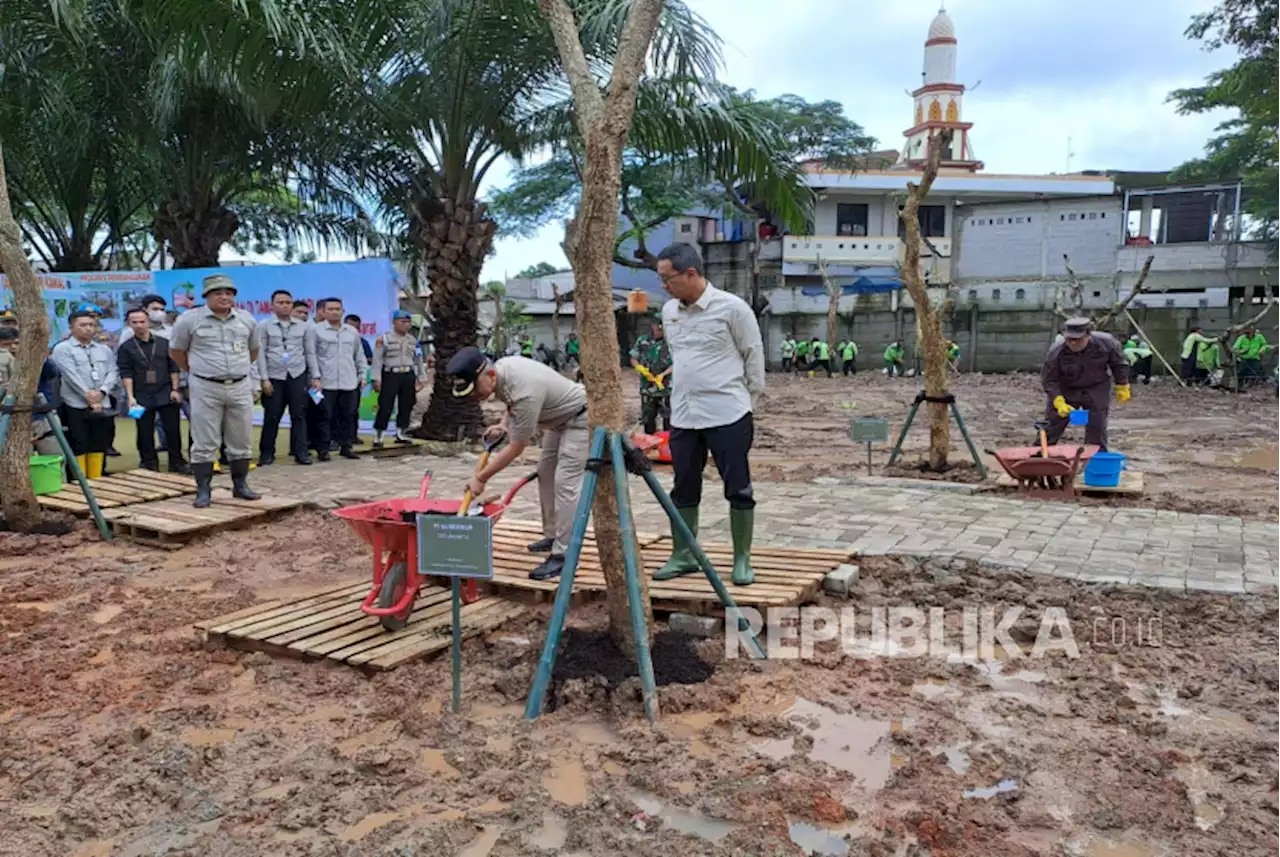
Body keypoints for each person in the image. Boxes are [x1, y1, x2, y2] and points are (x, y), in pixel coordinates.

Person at [652, 243, 764, 586]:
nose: (664, 286)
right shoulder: (669, 311)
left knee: (738, 487)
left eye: (667, 278)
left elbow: (753, 356)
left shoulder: (732, 308)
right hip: (684, 415)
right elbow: (680, 356)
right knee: (683, 486)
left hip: (728, 412)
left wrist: (748, 403)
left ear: (691, 274)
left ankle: (742, 559)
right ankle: (683, 555)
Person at [447, 346, 588, 582]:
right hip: (555, 420)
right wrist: (503, 424)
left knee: (565, 483)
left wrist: (481, 478)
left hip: (579, 418)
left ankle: (565, 556)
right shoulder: (501, 371)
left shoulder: (524, 391)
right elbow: (511, 404)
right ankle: (553, 536)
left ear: (490, 376)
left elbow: (516, 447)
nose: (474, 397)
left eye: (474, 390)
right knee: (545, 472)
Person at [169, 274, 262, 507]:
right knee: (204, 439)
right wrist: (197, 371)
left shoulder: (246, 319)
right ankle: (203, 490)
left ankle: (240, 486)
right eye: (218, 293)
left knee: (241, 437)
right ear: (206, 296)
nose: (224, 297)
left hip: (240, 385)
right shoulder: (189, 320)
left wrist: (239, 372)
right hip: (205, 386)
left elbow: (253, 351)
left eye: (229, 293)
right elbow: (177, 352)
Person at [1041, 317, 1130, 450]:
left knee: (1097, 422)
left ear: (1088, 335)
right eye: (1069, 339)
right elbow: (1049, 379)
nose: (1073, 343)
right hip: (1067, 388)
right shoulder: (1056, 351)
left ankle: (1097, 456)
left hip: (1097, 386)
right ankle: (1040, 453)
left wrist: (1122, 384)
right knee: (1054, 422)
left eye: (1078, 339)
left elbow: (1118, 364)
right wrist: (1057, 400)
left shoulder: (1107, 343)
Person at [117, 307, 187, 473]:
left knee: (172, 429)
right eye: (135, 322)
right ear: (129, 324)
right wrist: (130, 397)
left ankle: (176, 462)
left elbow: (174, 368)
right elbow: (126, 373)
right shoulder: (126, 348)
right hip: (141, 394)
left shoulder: (164, 343)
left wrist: (175, 389)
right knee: (144, 431)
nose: (139, 325)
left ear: (148, 322)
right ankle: (149, 463)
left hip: (166, 391)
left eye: (142, 321)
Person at [51, 310, 119, 478]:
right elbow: (69, 374)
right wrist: (88, 395)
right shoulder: (62, 348)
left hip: (102, 403)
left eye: (91, 325)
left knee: (99, 443)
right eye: (83, 325)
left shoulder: (104, 349)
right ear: (71, 327)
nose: (88, 329)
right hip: (75, 404)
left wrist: (102, 392)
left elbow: (113, 371)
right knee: (78, 442)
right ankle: (80, 479)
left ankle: (97, 477)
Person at [257, 289, 315, 466]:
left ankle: (301, 453)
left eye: (288, 302)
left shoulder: (304, 326)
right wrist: (264, 378)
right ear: (272, 306)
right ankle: (267, 453)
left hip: (297, 374)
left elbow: (309, 352)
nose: (284, 305)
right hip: (274, 376)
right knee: (272, 415)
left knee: (299, 415)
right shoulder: (264, 326)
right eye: (280, 302)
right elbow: (260, 353)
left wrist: (315, 376)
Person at [310, 297, 367, 460]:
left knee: (348, 415)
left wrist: (362, 374)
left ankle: (346, 446)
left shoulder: (351, 331)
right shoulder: (315, 330)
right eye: (331, 309)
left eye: (338, 309)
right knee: (324, 416)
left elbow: (359, 355)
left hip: (349, 381)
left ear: (343, 311)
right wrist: (315, 378)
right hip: (324, 382)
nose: (335, 312)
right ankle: (323, 449)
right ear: (323, 311)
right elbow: (311, 355)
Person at [372, 309, 424, 446]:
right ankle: (379, 434)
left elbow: (418, 359)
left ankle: (401, 432)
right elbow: (377, 360)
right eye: (403, 322)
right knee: (386, 405)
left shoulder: (413, 340)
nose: (406, 325)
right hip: (390, 374)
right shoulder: (384, 339)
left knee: (406, 404)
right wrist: (376, 378)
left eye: (408, 322)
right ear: (394, 322)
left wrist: (421, 377)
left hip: (408, 374)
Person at [629, 318, 672, 434]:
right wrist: (640, 368)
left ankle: (667, 446)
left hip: (666, 388)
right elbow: (633, 358)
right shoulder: (642, 341)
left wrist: (663, 374)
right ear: (653, 326)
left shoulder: (671, 341)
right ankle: (650, 444)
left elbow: (677, 363)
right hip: (647, 388)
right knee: (648, 418)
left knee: (669, 418)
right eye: (658, 328)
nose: (660, 331)